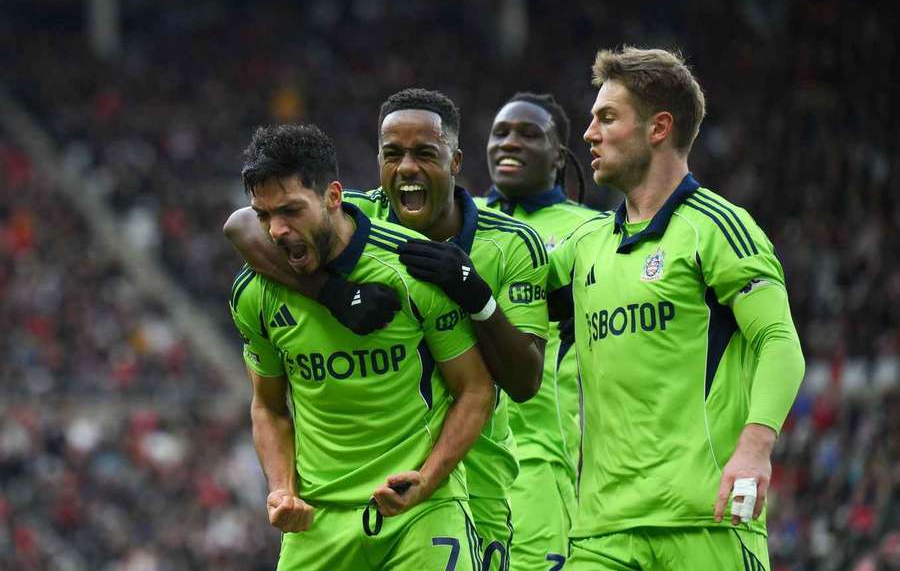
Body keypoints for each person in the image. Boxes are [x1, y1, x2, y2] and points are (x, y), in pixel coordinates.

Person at [225, 89, 550, 571]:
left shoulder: (508, 245)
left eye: (424, 153)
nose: (407, 168)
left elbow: (519, 383)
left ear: (455, 161)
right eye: (392, 154)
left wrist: (473, 291)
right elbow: (241, 225)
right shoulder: (355, 215)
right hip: (339, 510)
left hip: (468, 477)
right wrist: (334, 295)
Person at [547, 46, 805, 570]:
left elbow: (780, 342)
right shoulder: (584, 245)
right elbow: (501, 282)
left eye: (606, 118)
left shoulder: (717, 228)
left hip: (703, 523)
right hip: (601, 532)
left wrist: (755, 448)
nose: (589, 134)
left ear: (658, 127)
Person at [476, 92, 596, 571]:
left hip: (539, 458)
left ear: (559, 156)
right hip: (458, 460)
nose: (510, 142)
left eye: (529, 133)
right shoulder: (460, 225)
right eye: (501, 132)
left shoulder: (592, 232)